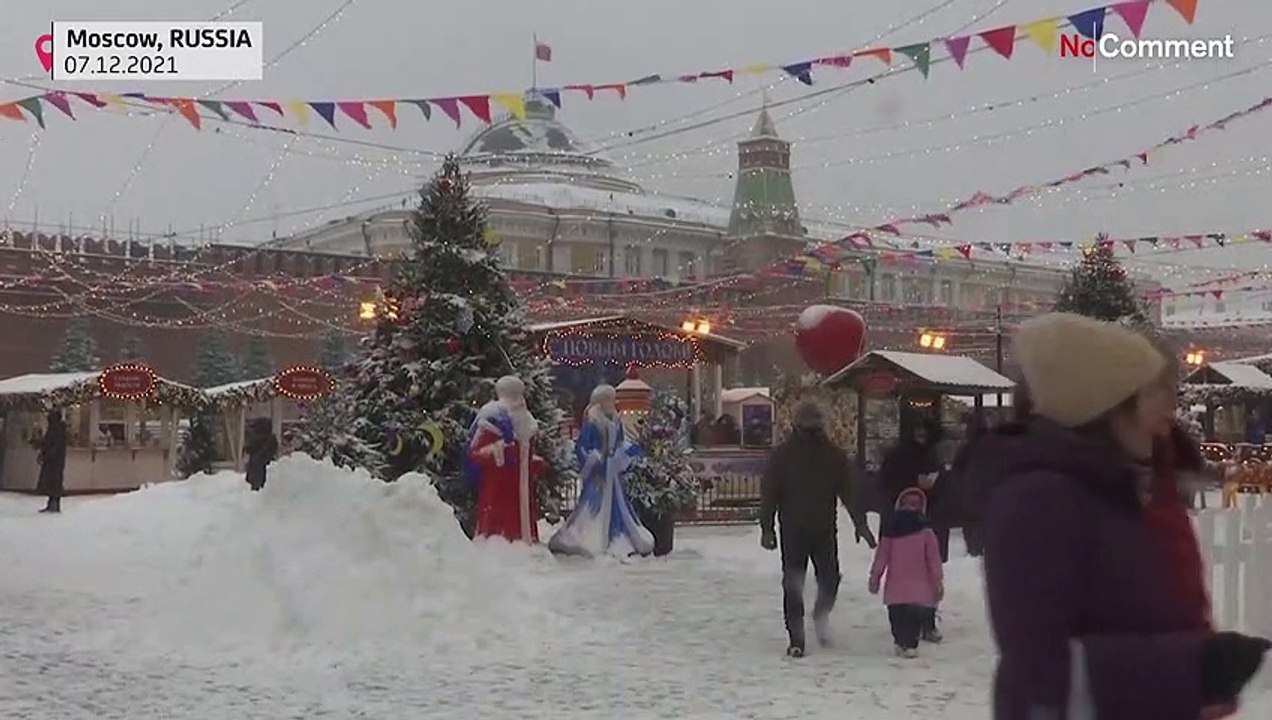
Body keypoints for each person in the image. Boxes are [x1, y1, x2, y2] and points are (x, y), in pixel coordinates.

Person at [972, 312, 1270, 720]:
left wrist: (1199, 676)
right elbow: (1038, 672)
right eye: (1153, 391)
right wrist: (1193, 669)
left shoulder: (1119, 489)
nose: (1171, 406)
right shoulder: (1038, 499)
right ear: (1106, 406)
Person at [759, 401, 868, 657]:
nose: (812, 432)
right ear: (797, 427)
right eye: (808, 428)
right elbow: (770, 493)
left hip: (822, 529)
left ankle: (821, 612)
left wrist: (860, 523)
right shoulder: (783, 456)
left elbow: (849, 492)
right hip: (794, 530)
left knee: (829, 578)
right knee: (793, 585)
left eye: (815, 427)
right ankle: (796, 639)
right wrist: (767, 527)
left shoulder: (833, 456)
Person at [548, 384, 654, 557]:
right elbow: (581, 446)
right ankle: (588, 537)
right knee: (594, 503)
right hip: (598, 472)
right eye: (610, 399)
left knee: (618, 503)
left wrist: (627, 451)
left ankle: (619, 536)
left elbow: (620, 442)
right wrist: (593, 459)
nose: (613, 402)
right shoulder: (592, 421)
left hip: (612, 470)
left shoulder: (616, 420)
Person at [879, 419, 946, 643]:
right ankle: (911, 620)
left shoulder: (933, 455)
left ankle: (926, 621)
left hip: (930, 519)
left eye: (923, 430)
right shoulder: (898, 455)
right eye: (916, 429)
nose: (920, 435)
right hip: (902, 523)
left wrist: (933, 489)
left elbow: (945, 484)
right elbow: (886, 483)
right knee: (909, 575)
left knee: (928, 572)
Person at [464, 375, 547, 543]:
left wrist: (533, 462)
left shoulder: (527, 420)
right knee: (499, 520)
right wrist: (499, 451)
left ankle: (525, 540)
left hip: (521, 484)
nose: (518, 399)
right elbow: (475, 453)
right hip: (498, 486)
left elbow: (528, 450)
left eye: (519, 394)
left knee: (521, 514)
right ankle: (499, 545)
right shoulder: (491, 417)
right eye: (513, 394)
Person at [869, 487, 944, 658]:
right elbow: (933, 559)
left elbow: (882, 556)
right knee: (913, 619)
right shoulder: (926, 531)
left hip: (896, 586)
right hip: (919, 587)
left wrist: (875, 577)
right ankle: (910, 644)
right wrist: (937, 581)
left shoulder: (890, 530)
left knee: (897, 617)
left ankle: (900, 641)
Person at [37, 410, 67, 514]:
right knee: (53, 482)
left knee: (54, 482)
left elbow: (55, 446)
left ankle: (54, 504)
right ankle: (52, 503)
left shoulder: (57, 430)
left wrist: (47, 455)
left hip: (55, 461)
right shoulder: (55, 429)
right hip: (54, 460)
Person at [244, 417, 278, 491]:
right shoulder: (270, 438)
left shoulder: (255, 437)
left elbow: (249, 449)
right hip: (264, 466)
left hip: (258, 467)